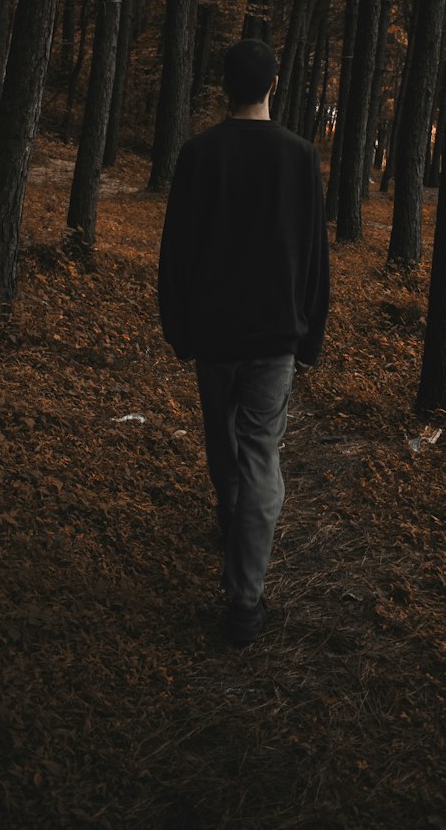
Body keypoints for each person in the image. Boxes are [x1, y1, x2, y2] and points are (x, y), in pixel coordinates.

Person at [158, 38, 330, 646]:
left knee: (223, 442)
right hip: (276, 333)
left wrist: (177, 326)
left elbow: (175, 248)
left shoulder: (200, 153)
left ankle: (234, 535)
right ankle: (246, 602)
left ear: (224, 85)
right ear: (272, 85)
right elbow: (315, 255)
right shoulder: (301, 156)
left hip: (215, 334)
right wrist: (311, 330)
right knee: (261, 454)